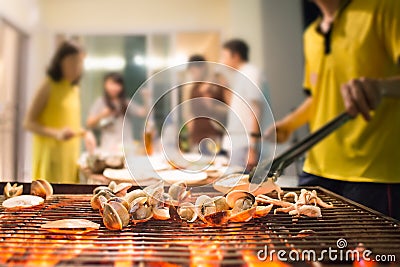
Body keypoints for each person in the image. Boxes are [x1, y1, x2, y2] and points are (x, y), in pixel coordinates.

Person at [265, 0, 400, 220]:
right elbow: (319, 97)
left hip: (373, 173)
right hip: (317, 167)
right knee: (307, 251)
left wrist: (381, 87)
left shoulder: (385, 7)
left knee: (372, 254)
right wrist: (289, 124)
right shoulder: (311, 35)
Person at [24, 41, 90, 183]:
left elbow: (68, 122)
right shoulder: (48, 85)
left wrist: (84, 133)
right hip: (51, 156)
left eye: (80, 63)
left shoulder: (74, 89)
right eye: (72, 62)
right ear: (60, 62)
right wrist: (56, 133)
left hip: (71, 156)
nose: (77, 68)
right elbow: (28, 123)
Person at [221, 39, 263, 172]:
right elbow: (238, 110)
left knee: (241, 188)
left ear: (236, 55)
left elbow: (256, 110)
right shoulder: (241, 74)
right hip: (238, 142)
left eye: (225, 56)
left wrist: (252, 149)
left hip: (245, 145)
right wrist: (225, 88)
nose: (222, 60)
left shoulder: (250, 73)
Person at [86, 72, 149, 153]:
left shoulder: (125, 102)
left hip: (127, 147)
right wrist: (102, 115)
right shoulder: (100, 102)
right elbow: (89, 123)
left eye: (117, 84)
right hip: (108, 147)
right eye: (111, 84)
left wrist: (146, 98)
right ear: (105, 85)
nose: (114, 87)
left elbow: (144, 113)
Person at [183, 55, 228, 152]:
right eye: (191, 72)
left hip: (214, 137)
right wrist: (191, 127)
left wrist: (212, 107)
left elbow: (228, 111)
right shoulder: (193, 88)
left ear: (203, 68)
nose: (193, 74)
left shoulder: (216, 86)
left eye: (194, 71)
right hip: (196, 137)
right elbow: (190, 112)